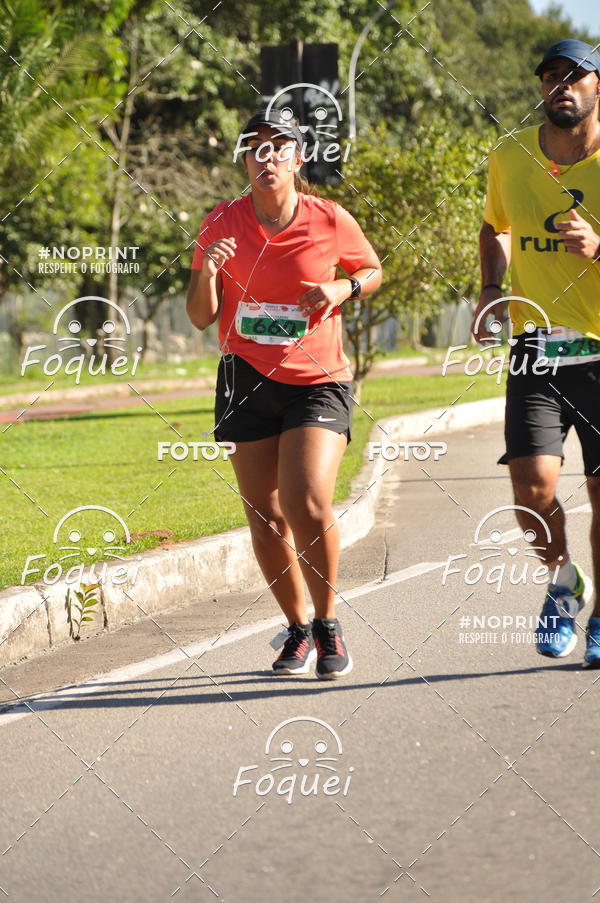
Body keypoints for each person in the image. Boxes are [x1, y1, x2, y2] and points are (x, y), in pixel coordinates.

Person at [186, 109, 382, 678]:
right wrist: (207, 273)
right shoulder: (220, 222)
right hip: (246, 378)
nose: (266, 158)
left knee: (306, 499)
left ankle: (328, 622)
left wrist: (340, 287)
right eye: (256, 149)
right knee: (266, 517)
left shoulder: (329, 218)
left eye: (279, 148)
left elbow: (372, 270)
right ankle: (296, 630)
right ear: (245, 161)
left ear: (299, 159)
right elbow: (201, 317)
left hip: (317, 381)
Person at [471, 39, 600, 666]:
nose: (561, 86)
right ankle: (563, 581)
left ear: (597, 87)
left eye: (574, 77)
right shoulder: (512, 156)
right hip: (537, 346)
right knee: (532, 488)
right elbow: (494, 226)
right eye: (551, 77)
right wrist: (492, 288)